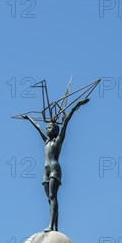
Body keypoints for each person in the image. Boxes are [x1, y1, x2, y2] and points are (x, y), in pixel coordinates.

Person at [21, 98, 89, 232]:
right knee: (49, 199)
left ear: (56, 130)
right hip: (45, 170)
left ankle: (52, 225)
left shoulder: (58, 140)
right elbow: (38, 128)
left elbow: (67, 121)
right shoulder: (46, 141)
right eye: (47, 128)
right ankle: (54, 226)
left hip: (54, 169)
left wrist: (77, 106)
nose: (47, 130)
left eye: (50, 128)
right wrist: (29, 118)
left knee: (53, 197)